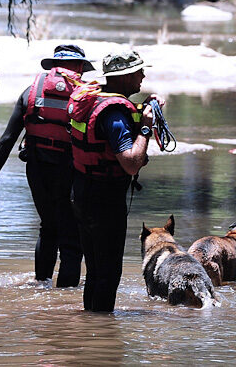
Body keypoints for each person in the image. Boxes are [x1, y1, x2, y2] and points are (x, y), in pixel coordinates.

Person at [0, 44, 94, 287]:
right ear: (78, 67)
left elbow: (7, 140)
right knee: (71, 237)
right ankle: (64, 300)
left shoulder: (31, 92)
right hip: (71, 171)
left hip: (37, 169)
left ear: (54, 66)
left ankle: (41, 286)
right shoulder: (86, 95)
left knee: (48, 227)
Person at [67, 49, 155, 312]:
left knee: (95, 270)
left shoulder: (96, 99)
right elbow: (130, 163)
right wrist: (146, 127)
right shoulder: (115, 112)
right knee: (108, 273)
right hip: (104, 199)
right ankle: (100, 330)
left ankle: (89, 325)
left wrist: (144, 109)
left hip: (82, 192)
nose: (143, 76)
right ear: (125, 76)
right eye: (139, 71)